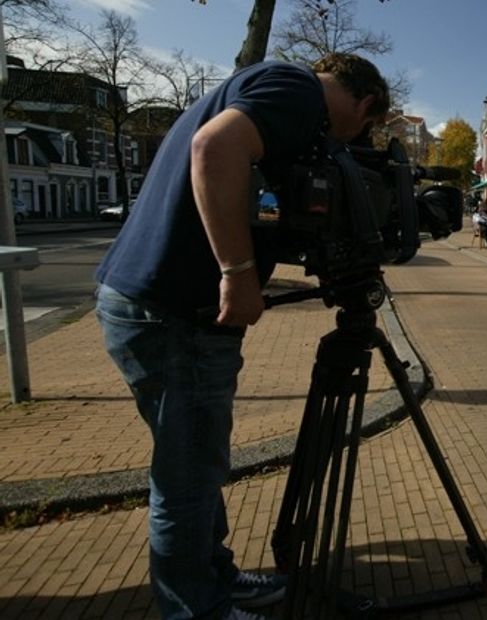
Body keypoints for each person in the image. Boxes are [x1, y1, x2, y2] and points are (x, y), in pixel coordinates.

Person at [94, 53, 389, 620]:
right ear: (366, 104)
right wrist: (237, 271)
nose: (351, 139)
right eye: (365, 127)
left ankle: (217, 579)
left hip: (156, 304)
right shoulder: (296, 91)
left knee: (196, 462)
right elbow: (215, 149)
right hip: (175, 311)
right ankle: (198, 609)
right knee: (185, 477)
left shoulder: (265, 86)